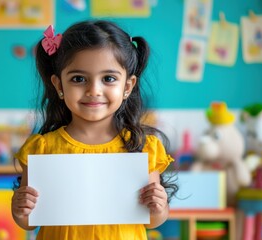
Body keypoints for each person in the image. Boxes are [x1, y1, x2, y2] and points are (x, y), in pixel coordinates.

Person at [11, 20, 178, 240]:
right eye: (78, 79)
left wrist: (158, 206)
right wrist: (20, 208)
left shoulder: (141, 148)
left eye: (108, 79)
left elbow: (152, 220)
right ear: (59, 85)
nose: (94, 90)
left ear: (127, 86)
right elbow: (27, 222)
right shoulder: (42, 148)